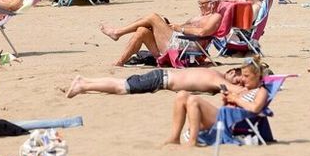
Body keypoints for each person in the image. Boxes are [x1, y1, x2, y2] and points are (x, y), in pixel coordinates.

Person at [98, 0, 222, 66]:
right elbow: (182, 27)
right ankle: (120, 62)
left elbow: (203, 32)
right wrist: (169, 25)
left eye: (202, 4)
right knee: (142, 31)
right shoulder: (199, 17)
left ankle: (117, 32)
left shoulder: (215, 17)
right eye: (199, 4)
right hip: (178, 41)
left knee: (153, 17)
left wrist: (181, 29)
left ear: (212, 3)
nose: (200, 6)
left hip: (185, 47)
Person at [165, 60, 270, 146]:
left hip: (229, 122)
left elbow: (256, 108)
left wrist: (236, 100)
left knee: (193, 100)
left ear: (257, 76)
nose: (243, 79)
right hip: (225, 116)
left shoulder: (261, 91)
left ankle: (192, 141)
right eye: (242, 75)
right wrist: (227, 100)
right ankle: (174, 138)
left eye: (246, 76)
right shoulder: (243, 90)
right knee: (182, 95)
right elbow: (229, 107)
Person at [66, 66, 245, 98]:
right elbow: (233, 90)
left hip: (161, 78)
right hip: (160, 80)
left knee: (123, 83)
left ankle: (86, 82)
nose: (239, 83)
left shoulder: (214, 74)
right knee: (122, 88)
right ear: (231, 71)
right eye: (239, 79)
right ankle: (83, 84)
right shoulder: (216, 78)